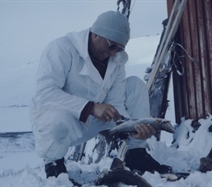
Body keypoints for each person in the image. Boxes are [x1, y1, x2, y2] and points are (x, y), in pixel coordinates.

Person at [30, 10, 172, 179]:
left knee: (135, 85)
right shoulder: (62, 48)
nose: (114, 53)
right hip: (56, 124)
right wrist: (90, 107)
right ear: (96, 35)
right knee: (58, 119)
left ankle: (136, 155)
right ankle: (54, 168)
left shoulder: (116, 61)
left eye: (119, 48)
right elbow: (45, 93)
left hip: (92, 121)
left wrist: (130, 129)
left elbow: (115, 102)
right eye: (111, 46)